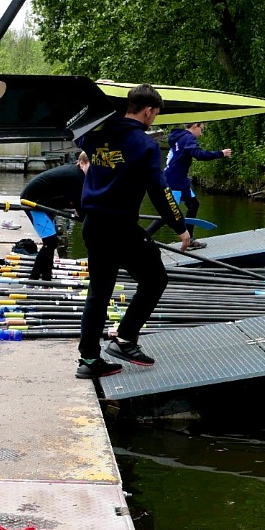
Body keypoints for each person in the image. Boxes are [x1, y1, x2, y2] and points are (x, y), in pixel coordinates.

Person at [75, 84, 190, 379]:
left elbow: (78, 134)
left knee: (99, 292)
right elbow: (160, 191)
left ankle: (89, 359)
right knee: (155, 279)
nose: (154, 119)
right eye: (155, 114)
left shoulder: (96, 133)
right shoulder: (145, 145)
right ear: (148, 111)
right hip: (120, 227)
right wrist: (180, 227)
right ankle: (125, 339)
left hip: (92, 224)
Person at [145, 122, 231, 249]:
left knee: (193, 205)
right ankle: (142, 239)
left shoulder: (179, 137)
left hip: (179, 181)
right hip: (174, 182)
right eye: (201, 130)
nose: (201, 134)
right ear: (195, 126)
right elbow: (198, 154)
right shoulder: (188, 138)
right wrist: (220, 153)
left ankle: (189, 239)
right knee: (167, 214)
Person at [19, 151, 90, 280]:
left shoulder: (78, 174)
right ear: (81, 163)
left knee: (51, 242)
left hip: (47, 202)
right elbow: (80, 208)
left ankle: (46, 278)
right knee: (50, 242)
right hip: (33, 202)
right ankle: (33, 280)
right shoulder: (77, 177)